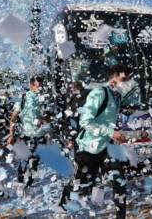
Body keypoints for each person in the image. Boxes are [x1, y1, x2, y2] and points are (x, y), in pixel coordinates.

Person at [59, 64, 138, 219]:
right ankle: (62, 205)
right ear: (113, 78)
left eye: (129, 78)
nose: (128, 81)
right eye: (124, 78)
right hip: (89, 148)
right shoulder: (99, 93)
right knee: (80, 184)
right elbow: (85, 122)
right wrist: (110, 132)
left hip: (107, 146)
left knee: (119, 181)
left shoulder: (117, 97)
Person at [7, 75, 48, 188]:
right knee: (24, 160)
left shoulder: (44, 98)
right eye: (37, 86)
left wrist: (44, 119)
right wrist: (11, 135)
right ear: (31, 85)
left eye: (41, 86)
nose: (40, 88)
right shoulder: (23, 97)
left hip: (40, 136)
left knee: (34, 162)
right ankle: (20, 183)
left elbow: (49, 116)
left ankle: (29, 184)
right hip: (25, 135)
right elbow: (13, 117)